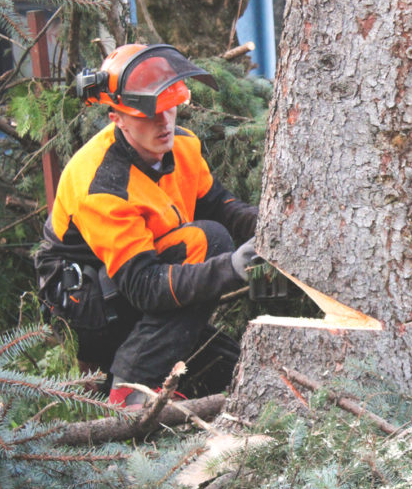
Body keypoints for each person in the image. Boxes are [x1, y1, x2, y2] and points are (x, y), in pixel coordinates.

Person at [35, 43, 258, 407]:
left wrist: (268, 231)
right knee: (209, 241)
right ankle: (130, 384)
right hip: (85, 304)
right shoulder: (101, 184)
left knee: (229, 368)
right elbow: (142, 285)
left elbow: (220, 205)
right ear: (117, 119)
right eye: (148, 114)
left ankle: (158, 379)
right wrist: (232, 268)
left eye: (170, 108)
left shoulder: (184, 147)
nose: (164, 122)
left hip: (134, 285)